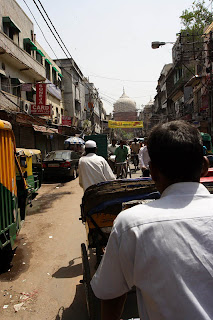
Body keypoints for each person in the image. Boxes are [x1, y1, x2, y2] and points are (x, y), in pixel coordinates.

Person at [91, 120, 212, 320]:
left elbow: (110, 294)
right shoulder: (132, 224)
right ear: (204, 166)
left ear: (153, 171)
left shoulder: (131, 224)